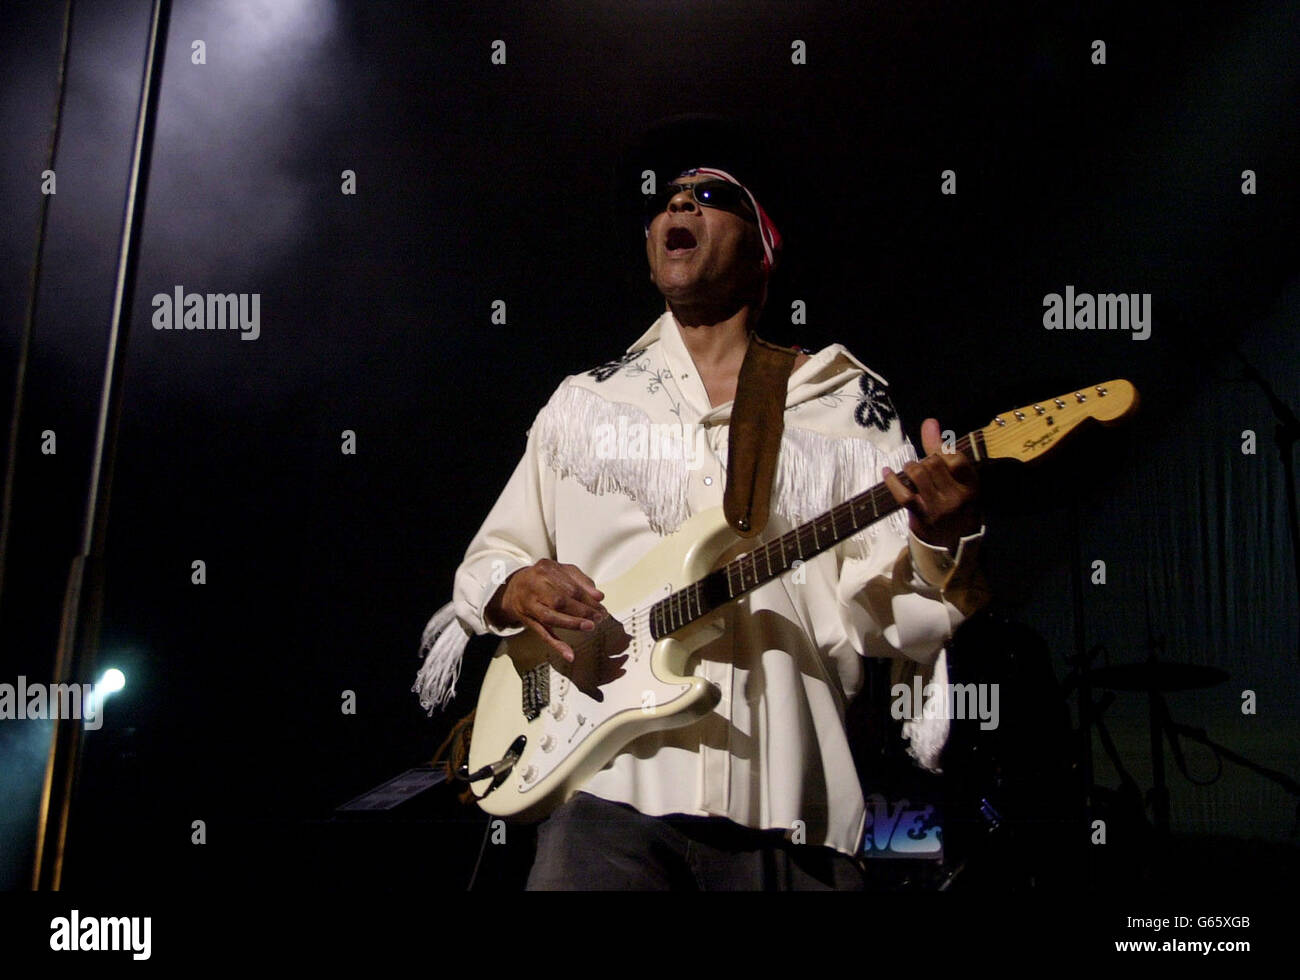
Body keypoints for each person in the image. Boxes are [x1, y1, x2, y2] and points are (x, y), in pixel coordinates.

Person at [415, 159, 986, 891]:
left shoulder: (844, 406)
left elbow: (892, 619)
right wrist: (517, 586)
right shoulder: (586, 404)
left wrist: (941, 536)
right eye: (667, 199)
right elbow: (491, 557)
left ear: (762, 253)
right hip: (608, 800)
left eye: (712, 196)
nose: (678, 202)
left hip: (791, 812)